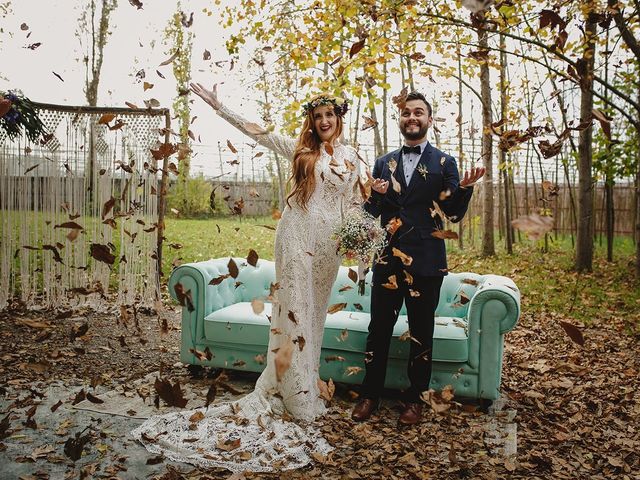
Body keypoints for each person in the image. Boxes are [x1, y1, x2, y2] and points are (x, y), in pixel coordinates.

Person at [131, 85, 366, 473]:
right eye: (318, 116)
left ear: (339, 118)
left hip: (329, 248)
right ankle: (296, 394)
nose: (325, 121)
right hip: (296, 237)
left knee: (314, 319)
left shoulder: (354, 156)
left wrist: (358, 236)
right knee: (295, 314)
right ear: (313, 120)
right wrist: (220, 106)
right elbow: (258, 132)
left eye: (330, 115)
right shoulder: (300, 150)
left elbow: (356, 203)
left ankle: (304, 384)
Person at [352, 91, 485, 425]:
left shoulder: (445, 163)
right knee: (378, 329)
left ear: (429, 119)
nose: (412, 117)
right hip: (386, 259)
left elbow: (453, 213)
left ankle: (414, 400)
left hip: (426, 260)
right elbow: (371, 214)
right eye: (407, 113)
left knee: (421, 333)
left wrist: (465, 189)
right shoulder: (383, 162)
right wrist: (377, 197)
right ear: (400, 119)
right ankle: (370, 395)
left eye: (419, 113)